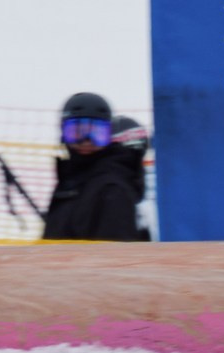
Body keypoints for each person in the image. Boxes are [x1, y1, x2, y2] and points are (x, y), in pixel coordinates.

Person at [42, 92, 149, 241]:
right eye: (76, 132)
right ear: (63, 133)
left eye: (97, 133)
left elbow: (116, 252)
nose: (86, 141)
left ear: (109, 136)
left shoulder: (112, 189)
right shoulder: (71, 183)